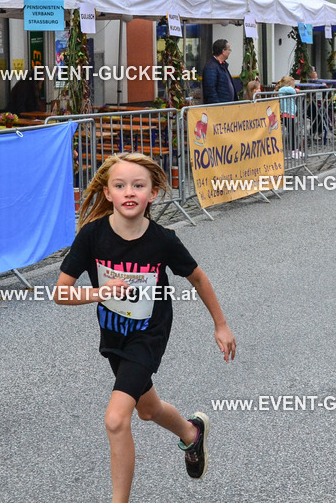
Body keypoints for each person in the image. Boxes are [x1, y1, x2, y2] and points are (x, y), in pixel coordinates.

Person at [52, 153, 236, 502]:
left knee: (116, 419)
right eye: (120, 185)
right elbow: (61, 293)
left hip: (149, 334)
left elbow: (197, 277)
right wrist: (99, 292)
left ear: (153, 193)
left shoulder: (162, 240)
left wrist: (221, 325)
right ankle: (191, 433)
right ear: (107, 193)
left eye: (139, 185)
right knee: (147, 409)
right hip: (113, 333)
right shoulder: (92, 236)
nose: (129, 191)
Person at [202, 40, 234, 104]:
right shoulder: (211, 67)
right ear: (223, 51)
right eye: (229, 50)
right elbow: (210, 91)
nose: (229, 52)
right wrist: (217, 107)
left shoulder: (222, 65)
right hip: (220, 108)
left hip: (227, 106)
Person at [276, 76, 300, 157]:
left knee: (293, 132)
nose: (294, 87)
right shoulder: (283, 90)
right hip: (286, 114)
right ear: (289, 84)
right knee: (292, 133)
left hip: (291, 114)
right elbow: (291, 91)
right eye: (293, 85)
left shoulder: (286, 90)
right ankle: (292, 151)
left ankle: (295, 150)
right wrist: (294, 90)